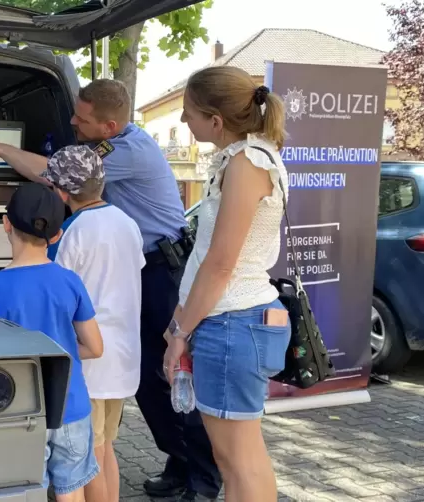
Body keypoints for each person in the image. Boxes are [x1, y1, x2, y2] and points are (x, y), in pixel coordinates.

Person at [0, 79, 222, 501]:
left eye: (82, 118)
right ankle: (180, 462)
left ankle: (203, 479)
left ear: (109, 127)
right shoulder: (116, 210)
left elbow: (49, 172)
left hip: (164, 272)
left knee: (173, 373)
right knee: (146, 384)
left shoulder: (124, 153)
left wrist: (0, 149)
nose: (72, 121)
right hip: (142, 272)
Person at [162, 66, 292, 502]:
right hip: (233, 320)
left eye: (188, 113)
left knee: (239, 460)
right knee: (238, 457)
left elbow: (220, 265)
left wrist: (181, 332)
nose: (183, 122)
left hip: (234, 321)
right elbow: (210, 261)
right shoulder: (247, 158)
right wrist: (180, 320)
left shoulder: (247, 162)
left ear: (215, 120)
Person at [0, 182, 104, 502]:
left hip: (19, 411)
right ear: (57, 236)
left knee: (26, 493)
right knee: (71, 493)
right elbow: (96, 347)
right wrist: (64, 354)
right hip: (71, 408)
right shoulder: (70, 282)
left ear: (5, 224)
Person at [43, 145, 145, 502]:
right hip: (123, 357)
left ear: (60, 191)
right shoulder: (128, 223)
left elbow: (60, 291)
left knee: (91, 457)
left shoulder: (73, 231)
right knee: (107, 449)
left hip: (89, 361)